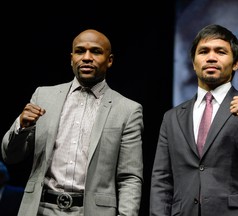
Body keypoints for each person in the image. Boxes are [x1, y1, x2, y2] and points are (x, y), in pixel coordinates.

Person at [1, 29, 144, 216]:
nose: (86, 57)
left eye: (96, 51)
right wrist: (21, 126)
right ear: (71, 58)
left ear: (109, 60)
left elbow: (130, 177)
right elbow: (10, 156)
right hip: (40, 209)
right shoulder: (43, 96)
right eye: (80, 51)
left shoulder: (127, 110)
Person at [150, 24, 238, 216]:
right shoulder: (172, 117)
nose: (211, 57)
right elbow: (162, 180)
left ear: (236, 63)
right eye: (203, 51)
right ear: (193, 62)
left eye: (221, 51)